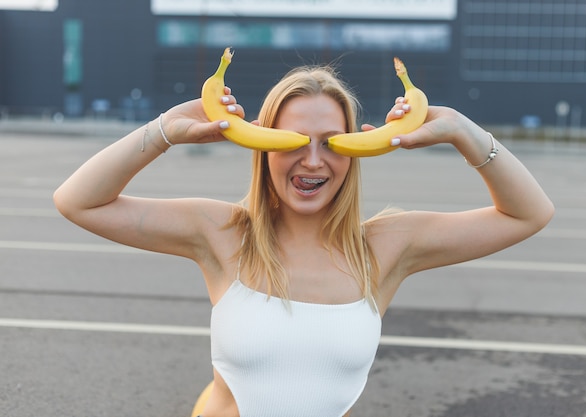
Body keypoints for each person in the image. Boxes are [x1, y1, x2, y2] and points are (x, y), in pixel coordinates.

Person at [53, 64, 554, 417]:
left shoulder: (386, 247)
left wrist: (461, 130)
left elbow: (530, 214)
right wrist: (167, 129)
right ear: (263, 144)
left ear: (356, 149)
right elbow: (78, 201)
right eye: (294, 141)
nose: (313, 161)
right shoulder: (223, 234)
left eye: (331, 143)